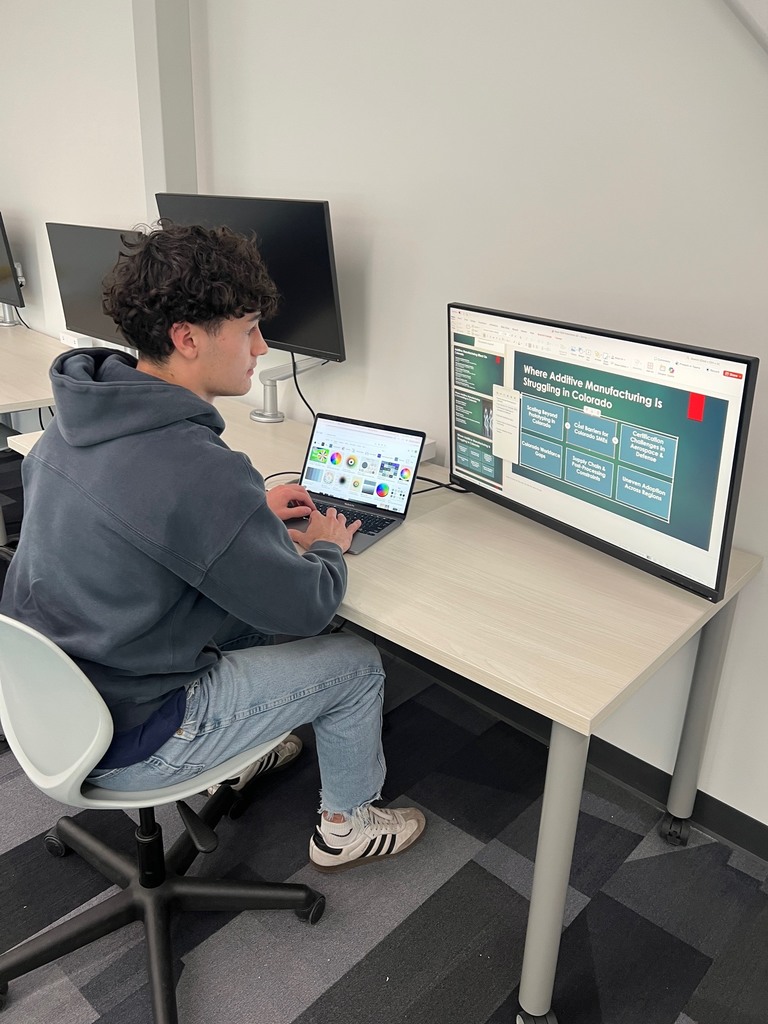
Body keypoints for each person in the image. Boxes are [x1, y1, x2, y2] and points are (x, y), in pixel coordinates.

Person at [0, 223, 425, 871]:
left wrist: (244, 519)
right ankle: (348, 824)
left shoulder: (74, 421)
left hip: (64, 694)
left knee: (253, 618)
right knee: (354, 659)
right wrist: (329, 545)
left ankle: (251, 742)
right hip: (135, 732)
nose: (261, 347)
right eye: (248, 327)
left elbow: (142, 522)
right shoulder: (197, 469)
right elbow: (308, 606)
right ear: (188, 338)